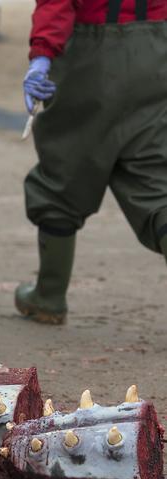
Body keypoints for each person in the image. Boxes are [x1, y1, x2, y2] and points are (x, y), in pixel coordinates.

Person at [16, 0, 167, 324]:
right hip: (156, 49)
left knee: (62, 175)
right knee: (156, 182)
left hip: (91, 53)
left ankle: (49, 296)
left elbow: (57, 5)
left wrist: (41, 58)